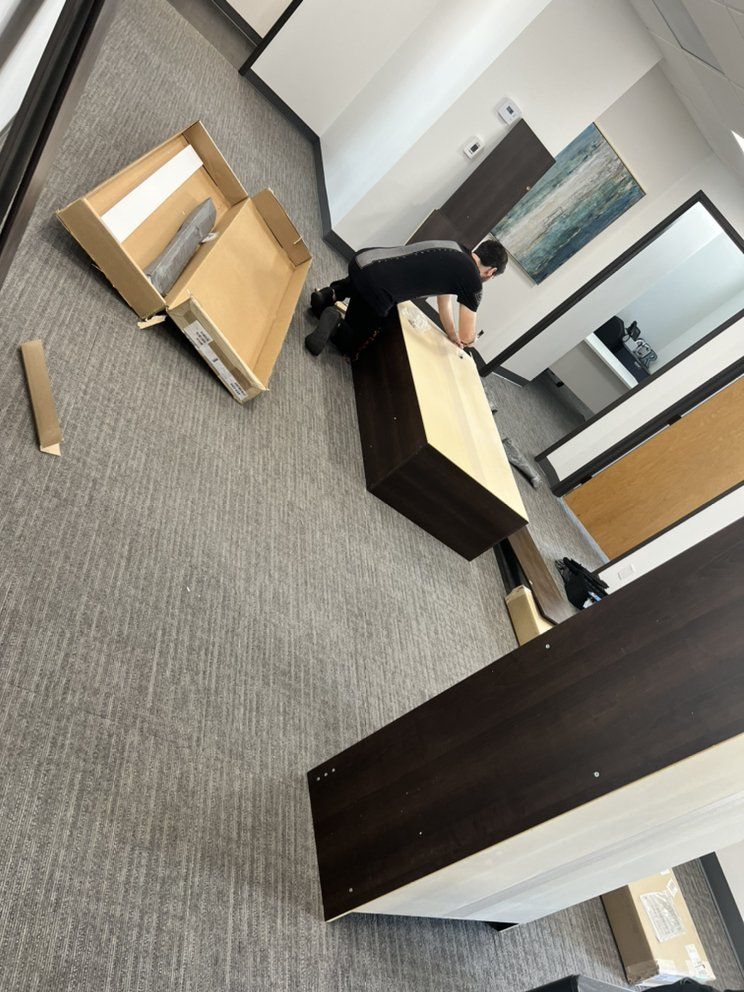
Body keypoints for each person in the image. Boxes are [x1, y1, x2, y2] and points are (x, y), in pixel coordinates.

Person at [304, 238, 508, 360]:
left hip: (363, 261)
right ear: (491, 271)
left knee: (364, 283)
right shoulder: (473, 281)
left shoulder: (456, 248)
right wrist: (470, 340)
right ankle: (337, 325)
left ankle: (329, 295)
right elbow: (467, 334)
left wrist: (452, 335)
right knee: (356, 344)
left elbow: (443, 301)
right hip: (378, 290)